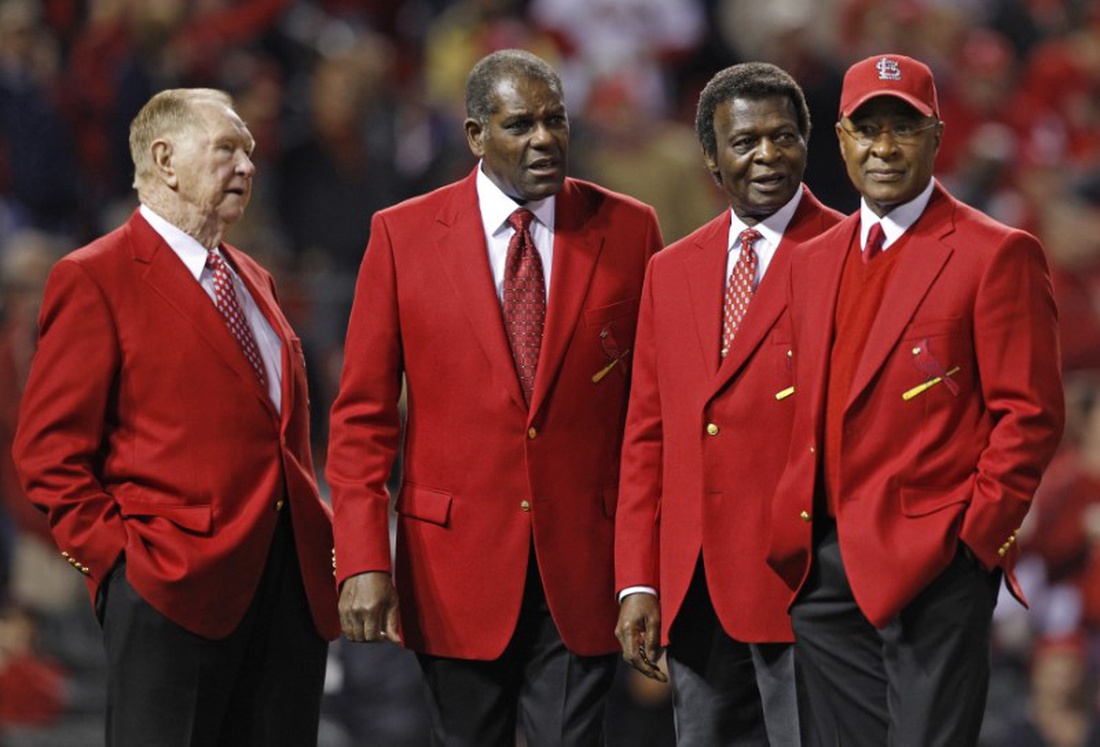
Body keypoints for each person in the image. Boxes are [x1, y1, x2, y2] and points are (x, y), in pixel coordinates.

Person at [327, 48, 663, 745]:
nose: (544, 139)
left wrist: (643, 573)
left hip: (587, 565)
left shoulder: (630, 230)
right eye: (521, 125)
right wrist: (362, 557)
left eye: (555, 120)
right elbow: (362, 416)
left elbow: (648, 418)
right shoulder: (401, 235)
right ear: (476, 135)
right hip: (453, 568)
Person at [12, 88, 340, 746]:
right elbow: (47, 458)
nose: (248, 165)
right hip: (170, 595)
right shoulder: (93, 276)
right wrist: (118, 571)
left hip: (289, 602)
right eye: (227, 148)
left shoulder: (254, 277)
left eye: (249, 151)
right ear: (164, 158)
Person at [765, 54, 1065, 745]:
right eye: (866, 128)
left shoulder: (996, 254)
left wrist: (973, 542)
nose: (884, 147)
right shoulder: (809, 260)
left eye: (904, 127)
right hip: (823, 567)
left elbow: (1032, 414)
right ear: (839, 139)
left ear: (937, 136)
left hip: (935, 563)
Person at [614, 62, 842, 745]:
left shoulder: (849, 257)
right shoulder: (670, 269)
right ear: (711, 159)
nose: (767, 155)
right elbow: (646, 437)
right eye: (745, 142)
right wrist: (637, 582)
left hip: (807, 590)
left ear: (808, 142)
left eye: (783, 136)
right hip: (695, 591)